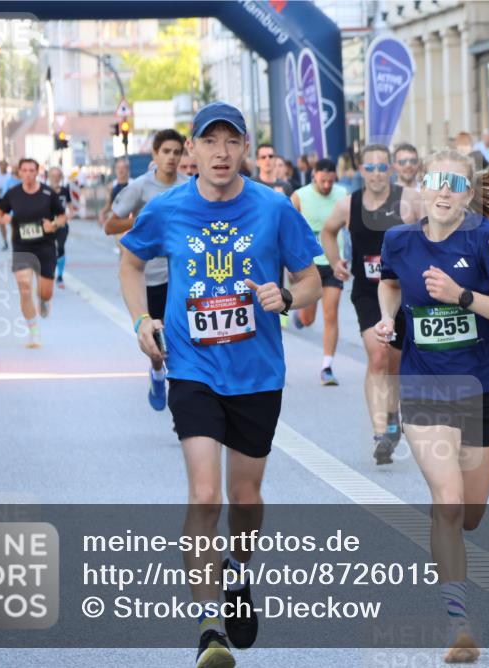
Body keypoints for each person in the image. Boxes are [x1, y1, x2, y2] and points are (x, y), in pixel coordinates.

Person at [118, 101, 322, 668]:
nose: (222, 152)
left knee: (246, 500)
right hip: (193, 368)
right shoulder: (168, 208)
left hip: (257, 372)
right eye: (211, 142)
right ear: (193, 151)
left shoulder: (274, 208)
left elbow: (310, 279)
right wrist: (142, 322)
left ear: (244, 148)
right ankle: (210, 628)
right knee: (205, 494)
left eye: (232, 142)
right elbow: (130, 262)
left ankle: (237, 570)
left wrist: (289, 297)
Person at [374, 148, 489, 663]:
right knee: (446, 500)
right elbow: (390, 284)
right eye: (434, 181)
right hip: (425, 386)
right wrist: (387, 319)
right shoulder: (399, 240)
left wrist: (463, 297)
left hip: (482, 387)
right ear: (419, 186)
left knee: (470, 515)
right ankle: (459, 622)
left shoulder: (487, 239)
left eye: (454, 183)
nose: (443, 191)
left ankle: (457, 574)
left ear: (467, 192)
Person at [321, 143, 424, 465]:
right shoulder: (347, 204)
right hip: (368, 292)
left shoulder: (409, 201)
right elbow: (327, 232)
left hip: (405, 293)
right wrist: (336, 260)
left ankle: (392, 415)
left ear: (391, 169)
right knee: (378, 355)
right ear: (361, 171)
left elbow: (434, 233)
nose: (377, 173)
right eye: (371, 167)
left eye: (383, 167)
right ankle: (380, 432)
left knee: (397, 364)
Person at [105, 129, 188, 410]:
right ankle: (156, 371)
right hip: (147, 276)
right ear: (155, 154)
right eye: (166, 152)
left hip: (178, 276)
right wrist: (142, 223)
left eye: (177, 152)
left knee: (180, 341)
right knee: (158, 344)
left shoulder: (189, 186)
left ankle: (184, 407)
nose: (172, 158)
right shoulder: (140, 187)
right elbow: (110, 225)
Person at [0, 158, 67, 348]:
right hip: (22, 247)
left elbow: (62, 216)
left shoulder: (47, 193)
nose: (28, 174)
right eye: (24, 170)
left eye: (31, 170)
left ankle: (43, 300)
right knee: (24, 287)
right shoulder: (12, 194)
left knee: (45, 292)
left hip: (45, 247)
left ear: (37, 172)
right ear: (19, 173)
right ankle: (33, 332)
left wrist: (53, 225)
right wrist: (5, 219)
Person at [290, 159, 349, 384]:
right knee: (308, 318)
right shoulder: (299, 196)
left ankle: (327, 367)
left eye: (330, 182)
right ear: (314, 175)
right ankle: (301, 317)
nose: (326, 186)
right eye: (323, 181)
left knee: (330, 314)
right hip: (308, 266)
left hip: (334, 263)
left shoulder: (342, 193)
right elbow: (288, 228)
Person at [47, 166, 75, 288]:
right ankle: (50, 273)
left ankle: (60, 275)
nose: (55, 179)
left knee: (60, 247)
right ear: (48, 177)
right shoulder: (45, 190)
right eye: (52, 176)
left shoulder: (64, 191)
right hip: (49, 225)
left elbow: (71, 207)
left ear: (61, 178)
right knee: (49, 249)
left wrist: (68, 216)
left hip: (62, 225)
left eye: (57, 176)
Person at [99, 158, 131, 226]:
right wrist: (102, 213)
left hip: (130, 223)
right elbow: (109, 205)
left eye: (123, 168)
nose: (120, 170)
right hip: (117, 223)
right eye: (118, 168)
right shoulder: (112, 187)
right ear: (115, 170)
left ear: (127, 170)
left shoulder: (133, 185)